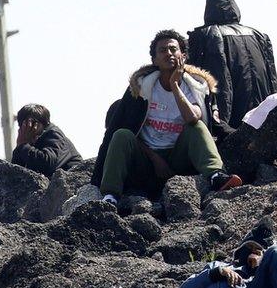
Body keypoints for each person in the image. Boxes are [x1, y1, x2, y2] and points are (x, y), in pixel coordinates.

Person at [90, 30, 242, 204]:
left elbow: (193, 118)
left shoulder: (196, 87)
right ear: (154, 60)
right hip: (146, 160)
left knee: (197, 127)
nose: (168, 53)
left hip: (179, 158)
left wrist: (175, 86)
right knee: (121, 135)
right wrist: (155, 159)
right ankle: (110, 196)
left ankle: (216, 175)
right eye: (162, 50)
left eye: (173, 49)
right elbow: (127, 127)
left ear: (183, 56)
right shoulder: (141, 89)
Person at [188, 0, 277, 129]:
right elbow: (272, 78)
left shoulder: (207, 35)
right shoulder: (259, 35)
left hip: (230, 116)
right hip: (262, 114)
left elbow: (207, 79)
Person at [10, 104, 83, 177]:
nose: (28, 128)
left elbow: (47, 164)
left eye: (32, 123)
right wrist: (20, 147)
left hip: (74, 179)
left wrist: (24, 145)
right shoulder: (29, 141)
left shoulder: (53, 134)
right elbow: (15, 173)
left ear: (43, 123)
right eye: (24, 125)